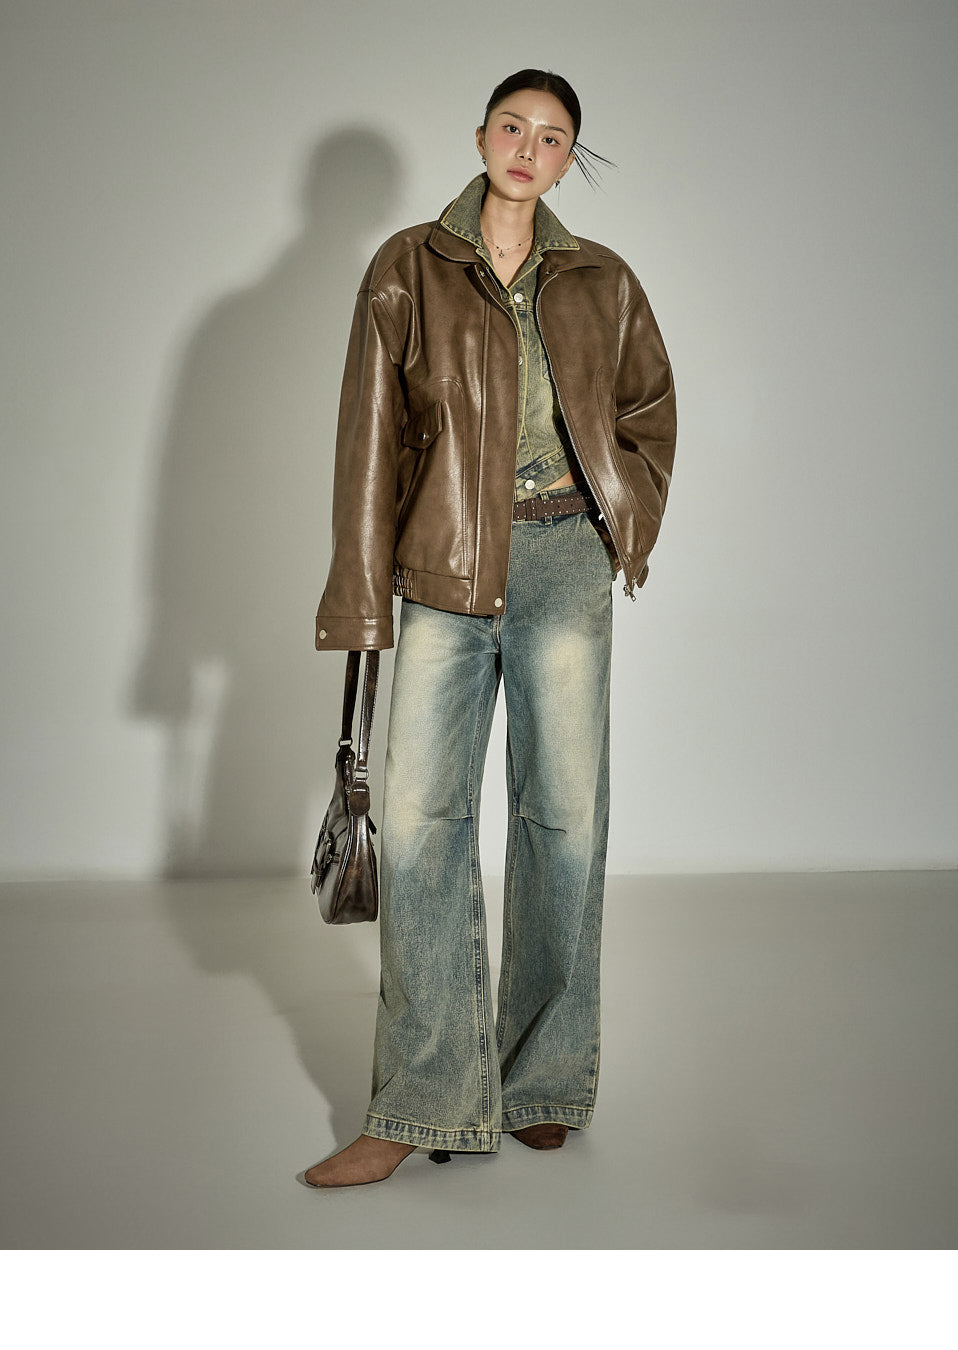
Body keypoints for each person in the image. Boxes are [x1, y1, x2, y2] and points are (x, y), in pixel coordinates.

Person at [305, 69, 676, 1187]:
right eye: (512, 126)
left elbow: (648, 413)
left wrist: (620, 524)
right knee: (423, 827)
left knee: (564, 820)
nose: (527, 146)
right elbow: (368, 441)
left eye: (552, 136)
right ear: (480, 138)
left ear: (569, 159)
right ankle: (418, 1102)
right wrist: (361, 597)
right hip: (441, 569)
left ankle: (543, 1079)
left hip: (564, 562)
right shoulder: (407, 266)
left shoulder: (603, 280)